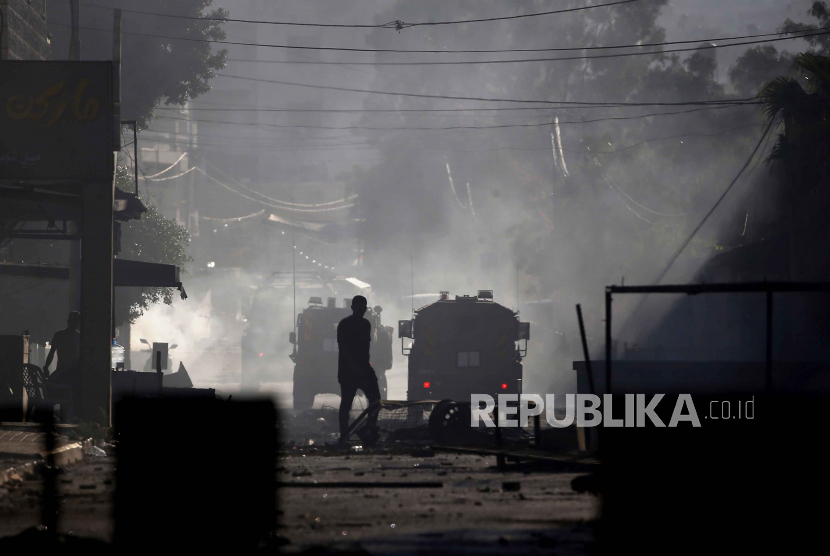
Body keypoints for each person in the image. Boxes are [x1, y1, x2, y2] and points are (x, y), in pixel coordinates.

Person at [337, 295, 381, 445]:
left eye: (364, 308)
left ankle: (369, 429)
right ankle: (344, 435)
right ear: (353, 307)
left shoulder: (365, 324)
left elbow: (366, 349)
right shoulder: (344, 325)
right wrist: (357, 368)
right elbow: (345, 350)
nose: (362, 311)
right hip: (349, 370)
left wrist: (366, 368)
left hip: (362, 368)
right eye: (359, 308)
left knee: (375, 400)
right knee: (346, 403)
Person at [44, 311, 81, 383]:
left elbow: (51, 353)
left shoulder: (59, 335)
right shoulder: (79, 337)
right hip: (74, 372)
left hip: (62, 371)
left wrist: (46, 367)